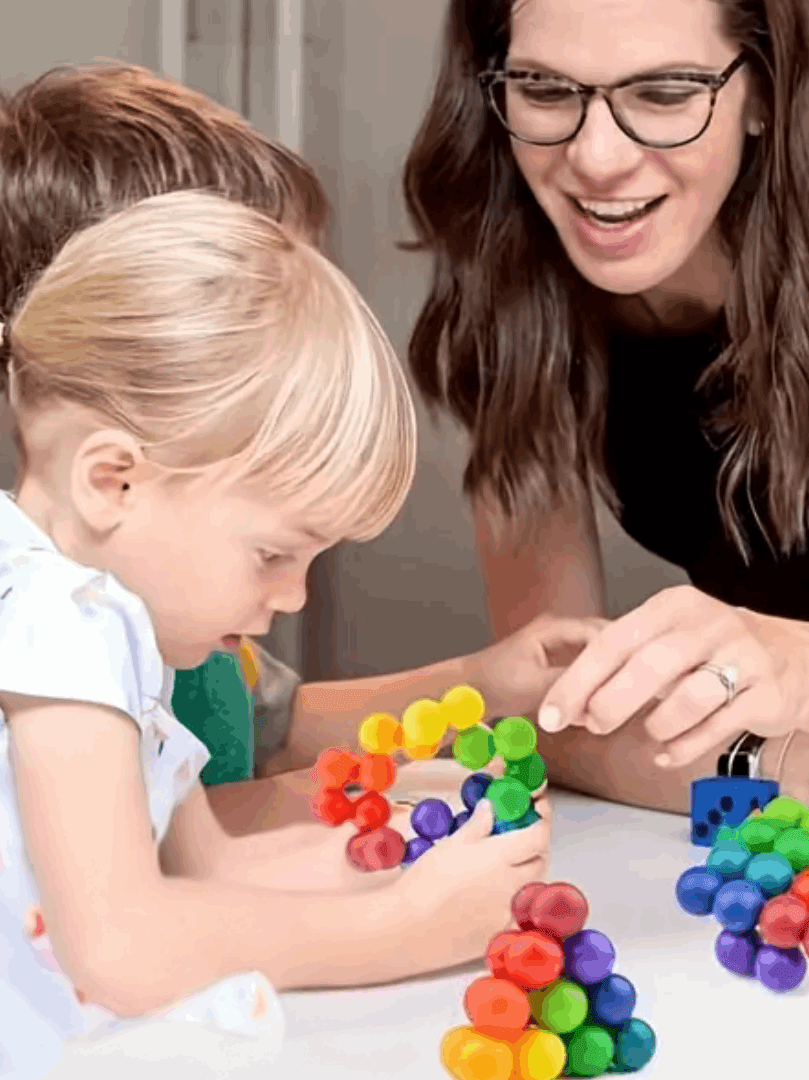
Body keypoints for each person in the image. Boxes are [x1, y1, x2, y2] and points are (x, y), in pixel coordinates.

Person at [400, 0, 809, 821]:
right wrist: (772, 768)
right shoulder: (520, 289)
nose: (596, 158)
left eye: (665, 94)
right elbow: (551, 704)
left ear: (765, 91)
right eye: (545, 89)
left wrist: (800, 669)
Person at [0, 191, 557, 1075]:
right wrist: (403, 928)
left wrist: (419, 843)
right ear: (113, 481)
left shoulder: (104, 621)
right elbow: (120, 949)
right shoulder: (59, 621)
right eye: (271, 553)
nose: (292, 598)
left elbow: (204, 869)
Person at [0, 63, 601, 837]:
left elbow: (271, 729)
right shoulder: (59, 625)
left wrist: (480, 685)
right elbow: (157, 842)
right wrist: (390, 821)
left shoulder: (174, 594)